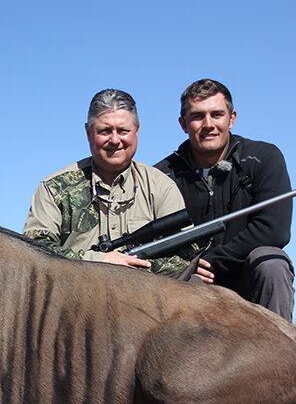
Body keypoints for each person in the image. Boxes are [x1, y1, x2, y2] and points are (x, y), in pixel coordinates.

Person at [154, 79, 295, 320]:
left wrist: (212, 262)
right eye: (198, 116)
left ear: (232, 118)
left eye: (217, 114)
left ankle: (280, 352)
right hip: (191, 280)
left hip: (245, 275)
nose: (208, 124)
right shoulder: (161, 176)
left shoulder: (265, 157)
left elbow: (275, 230)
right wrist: (188, 268)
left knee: (272, 263)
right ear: (183, 124)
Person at [23, 89, 193, 277]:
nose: (114, 140)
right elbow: (33, 252)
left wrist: (130, 266)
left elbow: (187, 258)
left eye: (123, 131)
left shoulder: (161, 186)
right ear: (88, 132)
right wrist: (99, 260)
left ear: (137, 131)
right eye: (104, 131)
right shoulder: (54, 188)